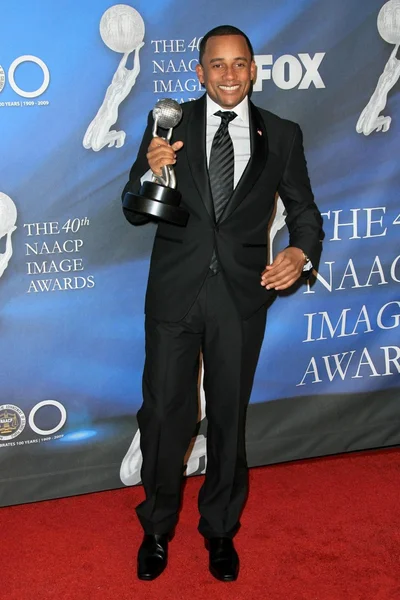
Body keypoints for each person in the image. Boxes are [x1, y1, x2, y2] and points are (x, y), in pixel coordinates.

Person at [121, 25, 324, 582]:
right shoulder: (170, 124)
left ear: (254, 69)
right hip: (175, 294)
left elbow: (305, 211)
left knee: (228, 418)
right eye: (217, 65)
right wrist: (151, 170)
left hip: (241, 295)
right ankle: (158, 527)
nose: (229, 75)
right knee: (165, 416)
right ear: (199, 71)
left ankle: (219, 531)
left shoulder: (281, 134)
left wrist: (300, 253)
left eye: (240, 64)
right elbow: (135, 210)